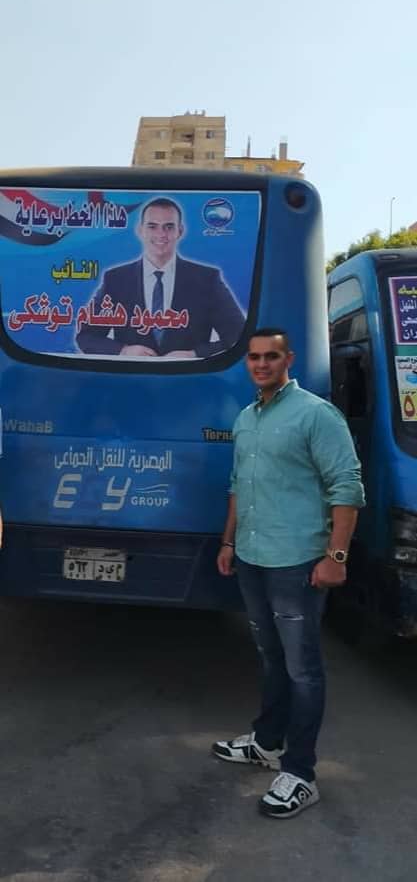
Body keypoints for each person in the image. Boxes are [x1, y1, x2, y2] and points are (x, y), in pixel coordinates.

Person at [212, 328, 365, 819]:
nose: (261, 364)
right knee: (270, 656)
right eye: (254, 357)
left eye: (271, 356)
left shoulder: (316, 415)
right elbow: (238, 485)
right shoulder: (246, 418)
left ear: (288, 359)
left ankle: (300, 773)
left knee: (303, 670)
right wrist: (229, 542)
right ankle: (267, 742)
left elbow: (347, 486)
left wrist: (336, 557)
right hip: (252, 557)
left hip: (297, 562)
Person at [76, 197, 245, 358]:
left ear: (180, 231)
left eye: (169, 227)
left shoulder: (207, 279)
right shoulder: (115, 279)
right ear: (140, 230)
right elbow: (86, 337)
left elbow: (240, 335)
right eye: (152, 226)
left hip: (190, 375)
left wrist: (195, 354)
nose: (161, 234)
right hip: (132, 375)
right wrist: (123, 351)